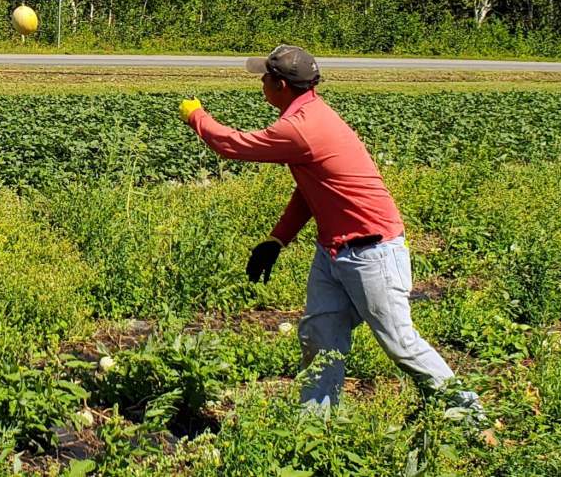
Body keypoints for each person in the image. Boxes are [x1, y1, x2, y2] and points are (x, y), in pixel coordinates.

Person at [178, 44, 482, 419]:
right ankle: (315, 428)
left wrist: (197, 116)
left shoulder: (301, 127)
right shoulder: (308, 114)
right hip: (333, 252)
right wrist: (278, 239)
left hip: (372, 253)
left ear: (281, 85)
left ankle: (471, 416)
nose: (260, 82)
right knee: (320, 340)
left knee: (401, 344)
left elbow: (232, 145)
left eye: (265, 77)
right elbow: (310, 191)